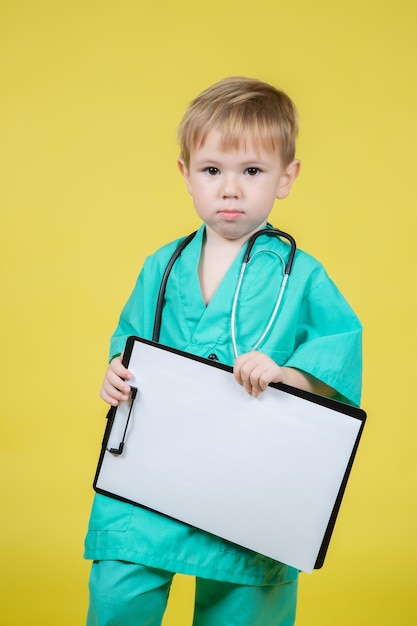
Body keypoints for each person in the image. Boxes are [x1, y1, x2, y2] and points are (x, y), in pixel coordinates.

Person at [84, 76, 362, 626]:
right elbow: (131, 341)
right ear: (187, 174)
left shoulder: (299, 276)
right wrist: (117, 373)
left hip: (248, 474)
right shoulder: (161, 267)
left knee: (244, 605)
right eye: (213, 171)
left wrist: (289, 377)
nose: (230, 189)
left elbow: (337, 352)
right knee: (119, 592)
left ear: (286, 177)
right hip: (152, 465)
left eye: (252, 171)